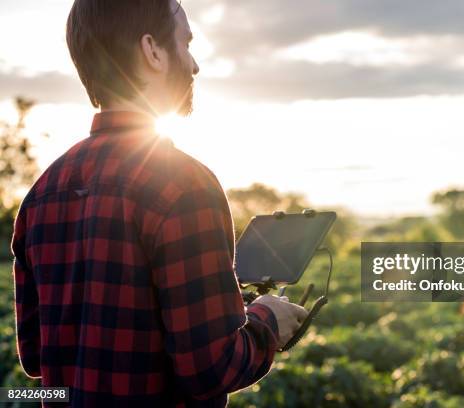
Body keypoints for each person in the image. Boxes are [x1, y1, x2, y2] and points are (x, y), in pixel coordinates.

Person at [10, 0, 308, 406]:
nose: (195, 64)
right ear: (153, 51)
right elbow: (211, 369)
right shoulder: (184, 185)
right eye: (186, 43)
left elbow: (34, 356)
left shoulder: (42, 193)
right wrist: (268, 319)